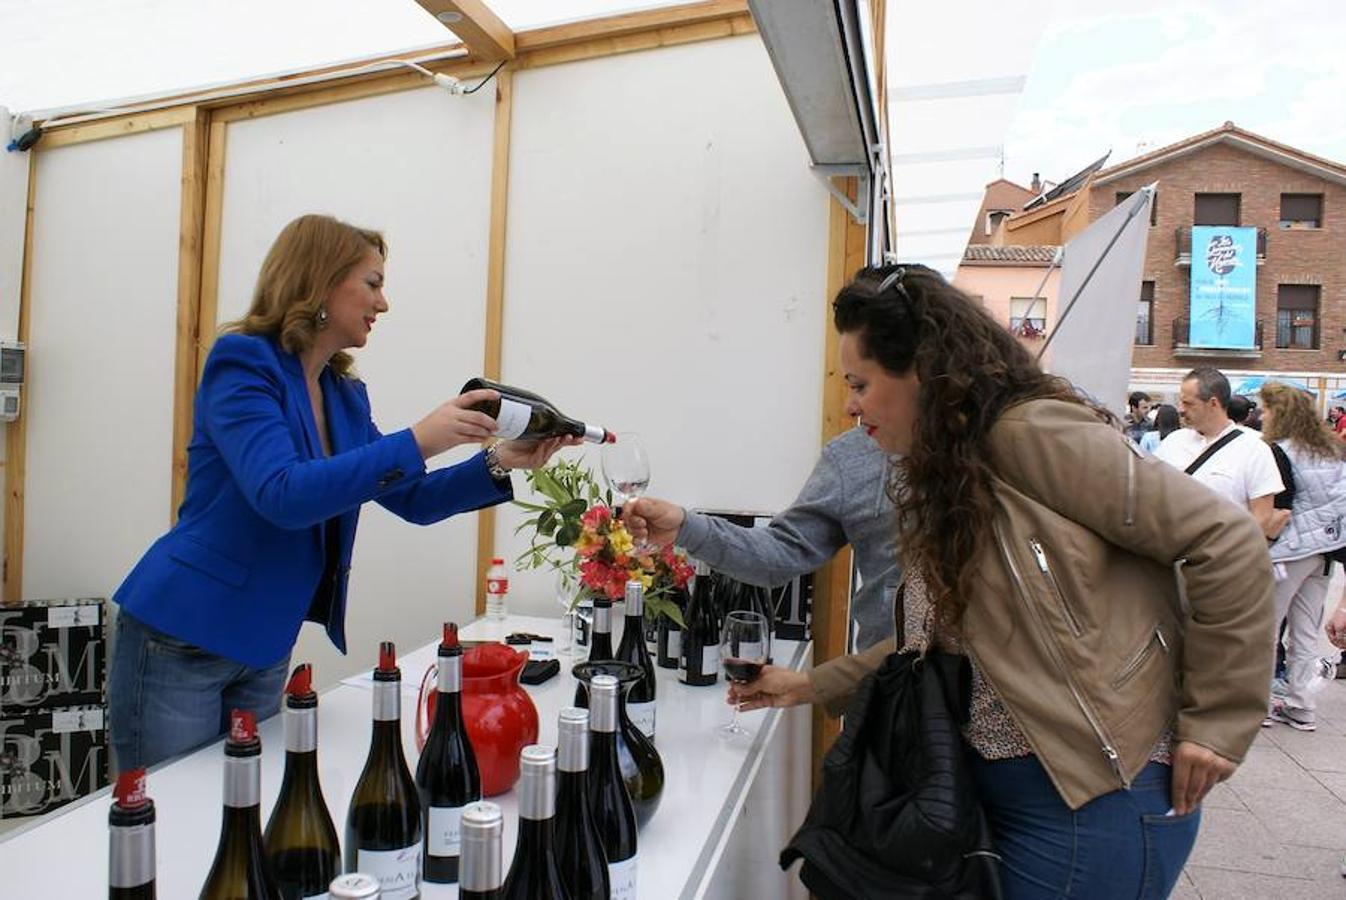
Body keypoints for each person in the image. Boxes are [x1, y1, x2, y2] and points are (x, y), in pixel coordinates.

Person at [631, 264, 1275, 899]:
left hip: (1093, 792)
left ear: (924, 371)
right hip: (1003, 790)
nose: (850, 404)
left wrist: (1217, 720)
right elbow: (941, 640)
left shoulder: (1027, 433)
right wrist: (812, 682)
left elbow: (1226, 539)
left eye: (860, 383)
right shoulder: (944, 469)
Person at [108, 214, 576, 772]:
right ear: (320, 282)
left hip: (263, 645)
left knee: (235, 810)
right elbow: (281, 494)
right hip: (181, 635)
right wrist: (419, 440)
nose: (384, 304)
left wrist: (500, 459)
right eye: (373, 283)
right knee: (163, 816)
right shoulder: (243, 364)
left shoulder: (344, 394)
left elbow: (414, 499)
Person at [622, 426, 899, 651]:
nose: (852, 407)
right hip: (891, 698)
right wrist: (685, 527)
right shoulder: (852, 455)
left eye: (861, 385)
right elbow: (782, 554)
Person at [1259, 382, 1346, 732]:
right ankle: (1301, 703)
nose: (1261, 415)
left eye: (1265, 410)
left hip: (1287, 552)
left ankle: (1260, 703)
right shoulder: (1332, 450)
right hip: (1325, 552)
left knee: (1266, 627)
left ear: (1279, 413)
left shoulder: (1278, 451)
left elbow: (1279, 504)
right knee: (1305, 630)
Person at [1155, 366, 1287, 539]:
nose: (1180, 409)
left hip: (1222, 558)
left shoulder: (1254, 449)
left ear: (1213, 404)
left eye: (1188, 403)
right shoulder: (1172, 442)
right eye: (1181, 402)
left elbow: (1261, 517)